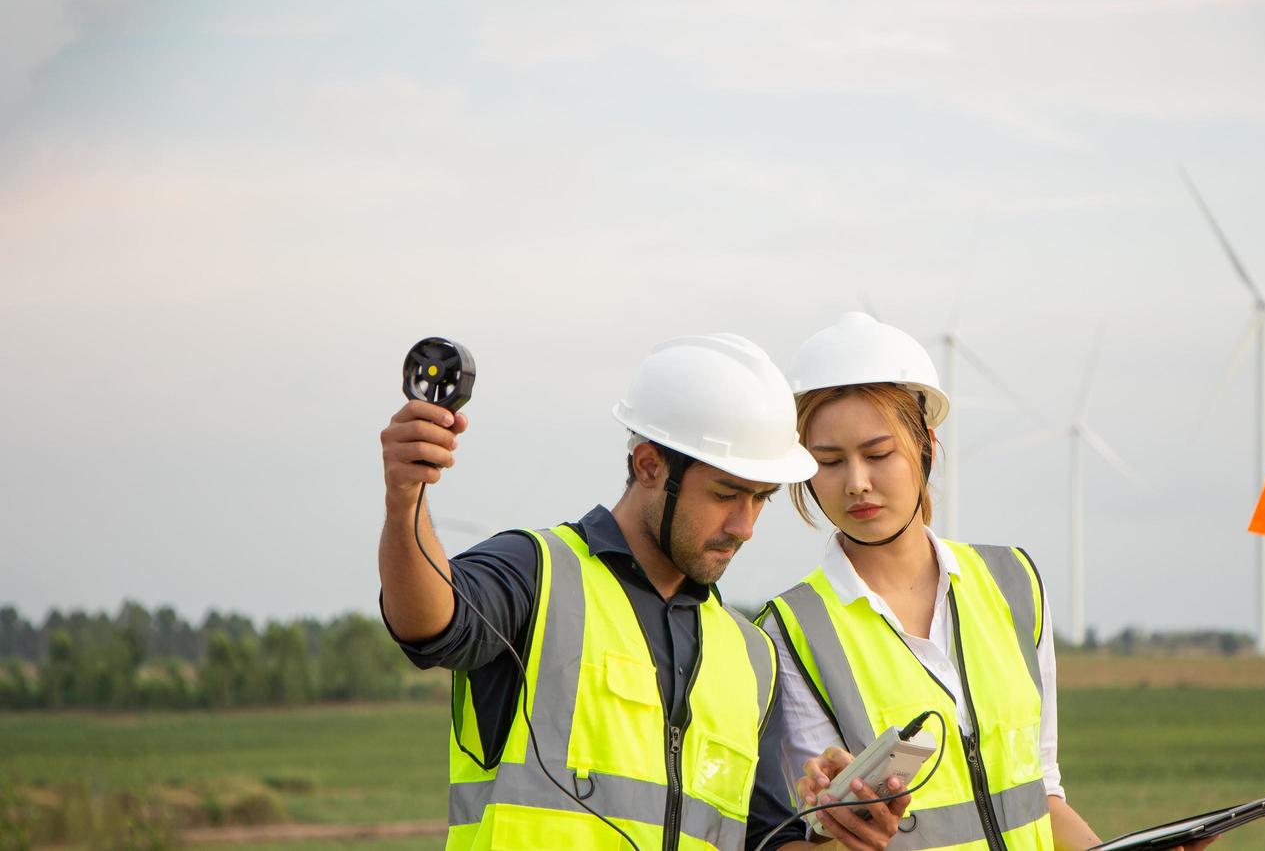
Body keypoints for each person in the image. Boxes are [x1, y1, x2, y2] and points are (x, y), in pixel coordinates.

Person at [378, 332, 912, 850]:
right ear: (649, 466)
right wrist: (406, 498)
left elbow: (764, 841)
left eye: (760, 500)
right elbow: (429, 622)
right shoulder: (538, 572)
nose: (744, 526)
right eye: (726, 494)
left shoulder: (752, 658)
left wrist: (837, 835)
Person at [760, 313, 1215, 851]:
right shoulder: (789, 630)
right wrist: (829, 822)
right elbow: (828, 834)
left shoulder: (1013, 582)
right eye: (829, 462)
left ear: (926, 444)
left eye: (878, 454)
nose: (856, 483)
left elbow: (1041, 793)